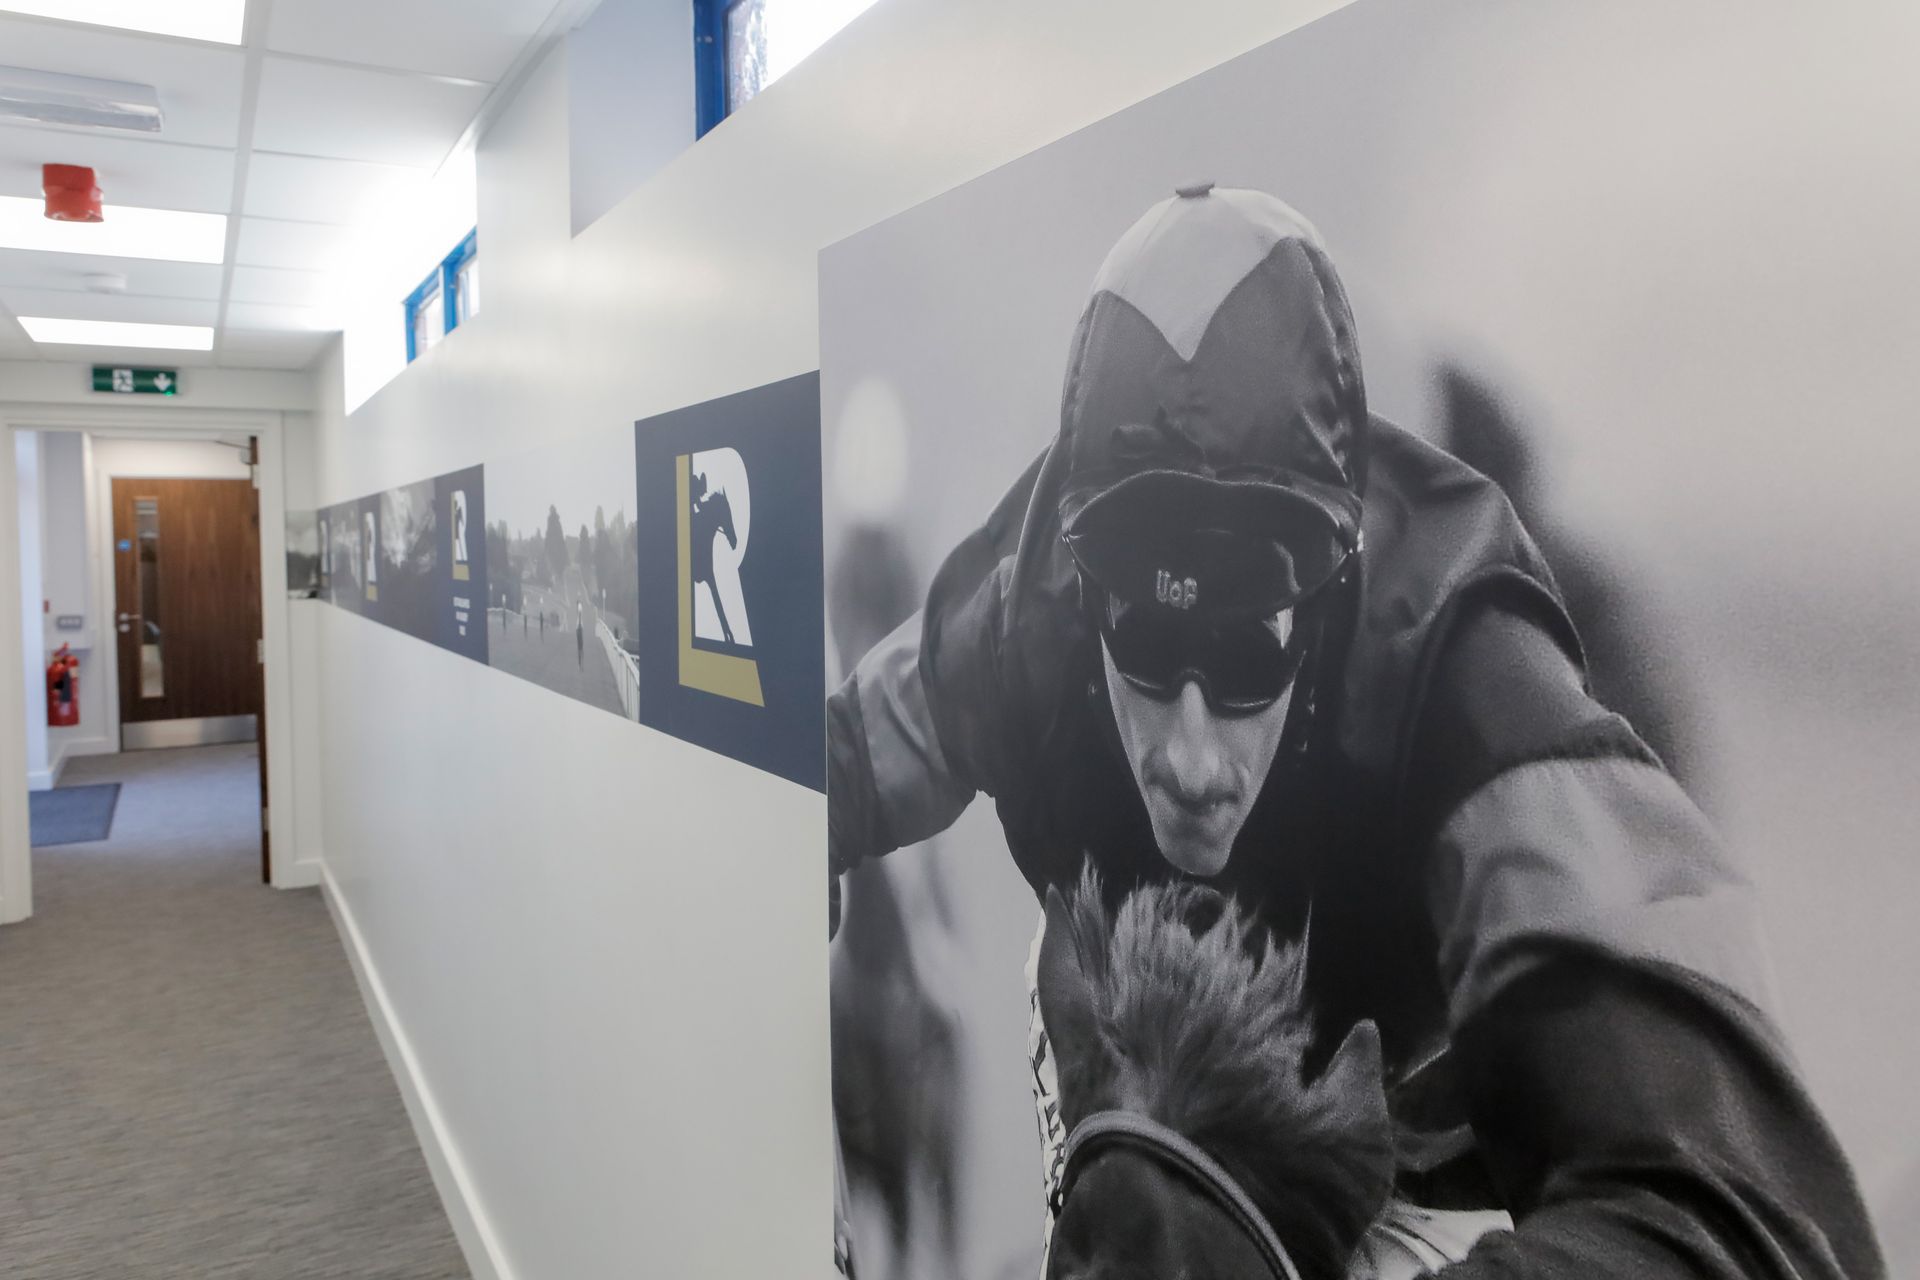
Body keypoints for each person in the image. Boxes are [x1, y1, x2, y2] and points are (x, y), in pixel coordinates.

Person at [826, 186, 1883, 1276]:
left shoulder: (1491, 709)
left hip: (1443, 1121)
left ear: (1357, 561)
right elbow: (829, 765)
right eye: (1142, 632)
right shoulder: (1029, 606)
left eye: (1250, 646)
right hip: (1211, 1064)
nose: (1189, 759)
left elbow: (1759, 1229)